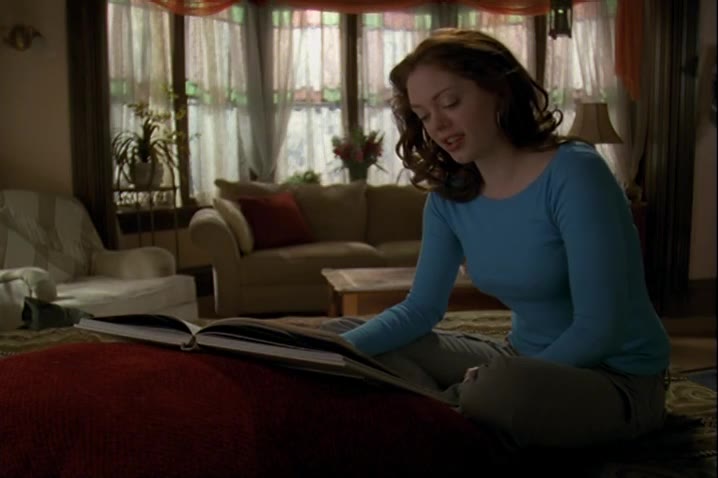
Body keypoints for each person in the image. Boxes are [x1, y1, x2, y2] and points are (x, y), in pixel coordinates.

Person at [321, 28, 671, 450]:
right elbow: (420, 310)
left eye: (450, 103)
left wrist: (492, 382)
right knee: (339, 336)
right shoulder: (448, 198)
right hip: (515, 361)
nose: (438, 126)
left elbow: (601, 329)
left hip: (616, 379)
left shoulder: (576, 173)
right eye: (423, 115)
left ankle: (434, 412)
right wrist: (331, 352)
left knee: (499, 392)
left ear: (499, 91)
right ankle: (446, 413)